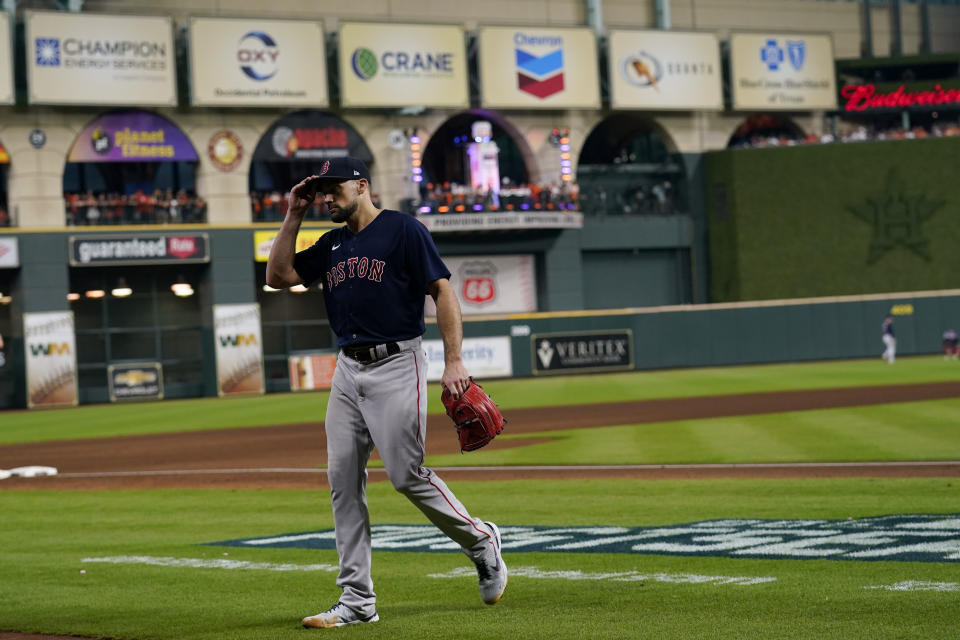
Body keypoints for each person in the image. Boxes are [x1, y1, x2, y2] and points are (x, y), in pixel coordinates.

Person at [266, 157, 506, 629]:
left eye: (333, 188)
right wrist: (293, 214)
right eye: (321, 191)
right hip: (347, 370)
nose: (326, 197)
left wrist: (454, 360)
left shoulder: (402, 230)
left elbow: (442, 292)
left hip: (398, 362)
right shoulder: (331, 243)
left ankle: (480, 541)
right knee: (342, 480)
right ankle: (357, 601)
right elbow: (279, 277)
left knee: (405, 475)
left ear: (362, 186)